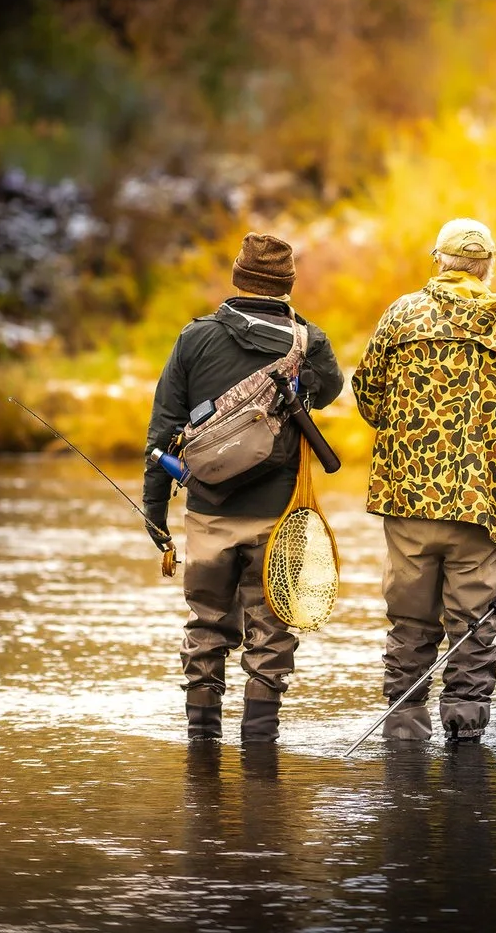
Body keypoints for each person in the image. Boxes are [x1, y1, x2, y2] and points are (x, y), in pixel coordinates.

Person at [351, 218, 496, 745]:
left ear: (438, 260)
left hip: (406, 499)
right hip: (482, 503)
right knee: (473, 624)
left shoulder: (400, 314)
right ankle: (465, 738)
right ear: (486, 266)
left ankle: (403, 729)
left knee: (410, 619)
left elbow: (367, 397)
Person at [142, 232, 344, 744]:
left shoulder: (195, 338)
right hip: (281, 515)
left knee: (207, 626)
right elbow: (331, 390)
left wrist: (154, 510)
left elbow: (163, 428)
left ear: (237, 278)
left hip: (207, 513)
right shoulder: (309, 342)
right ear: (288, 284)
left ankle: (202, 746)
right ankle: (260, 745)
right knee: (271, 633)